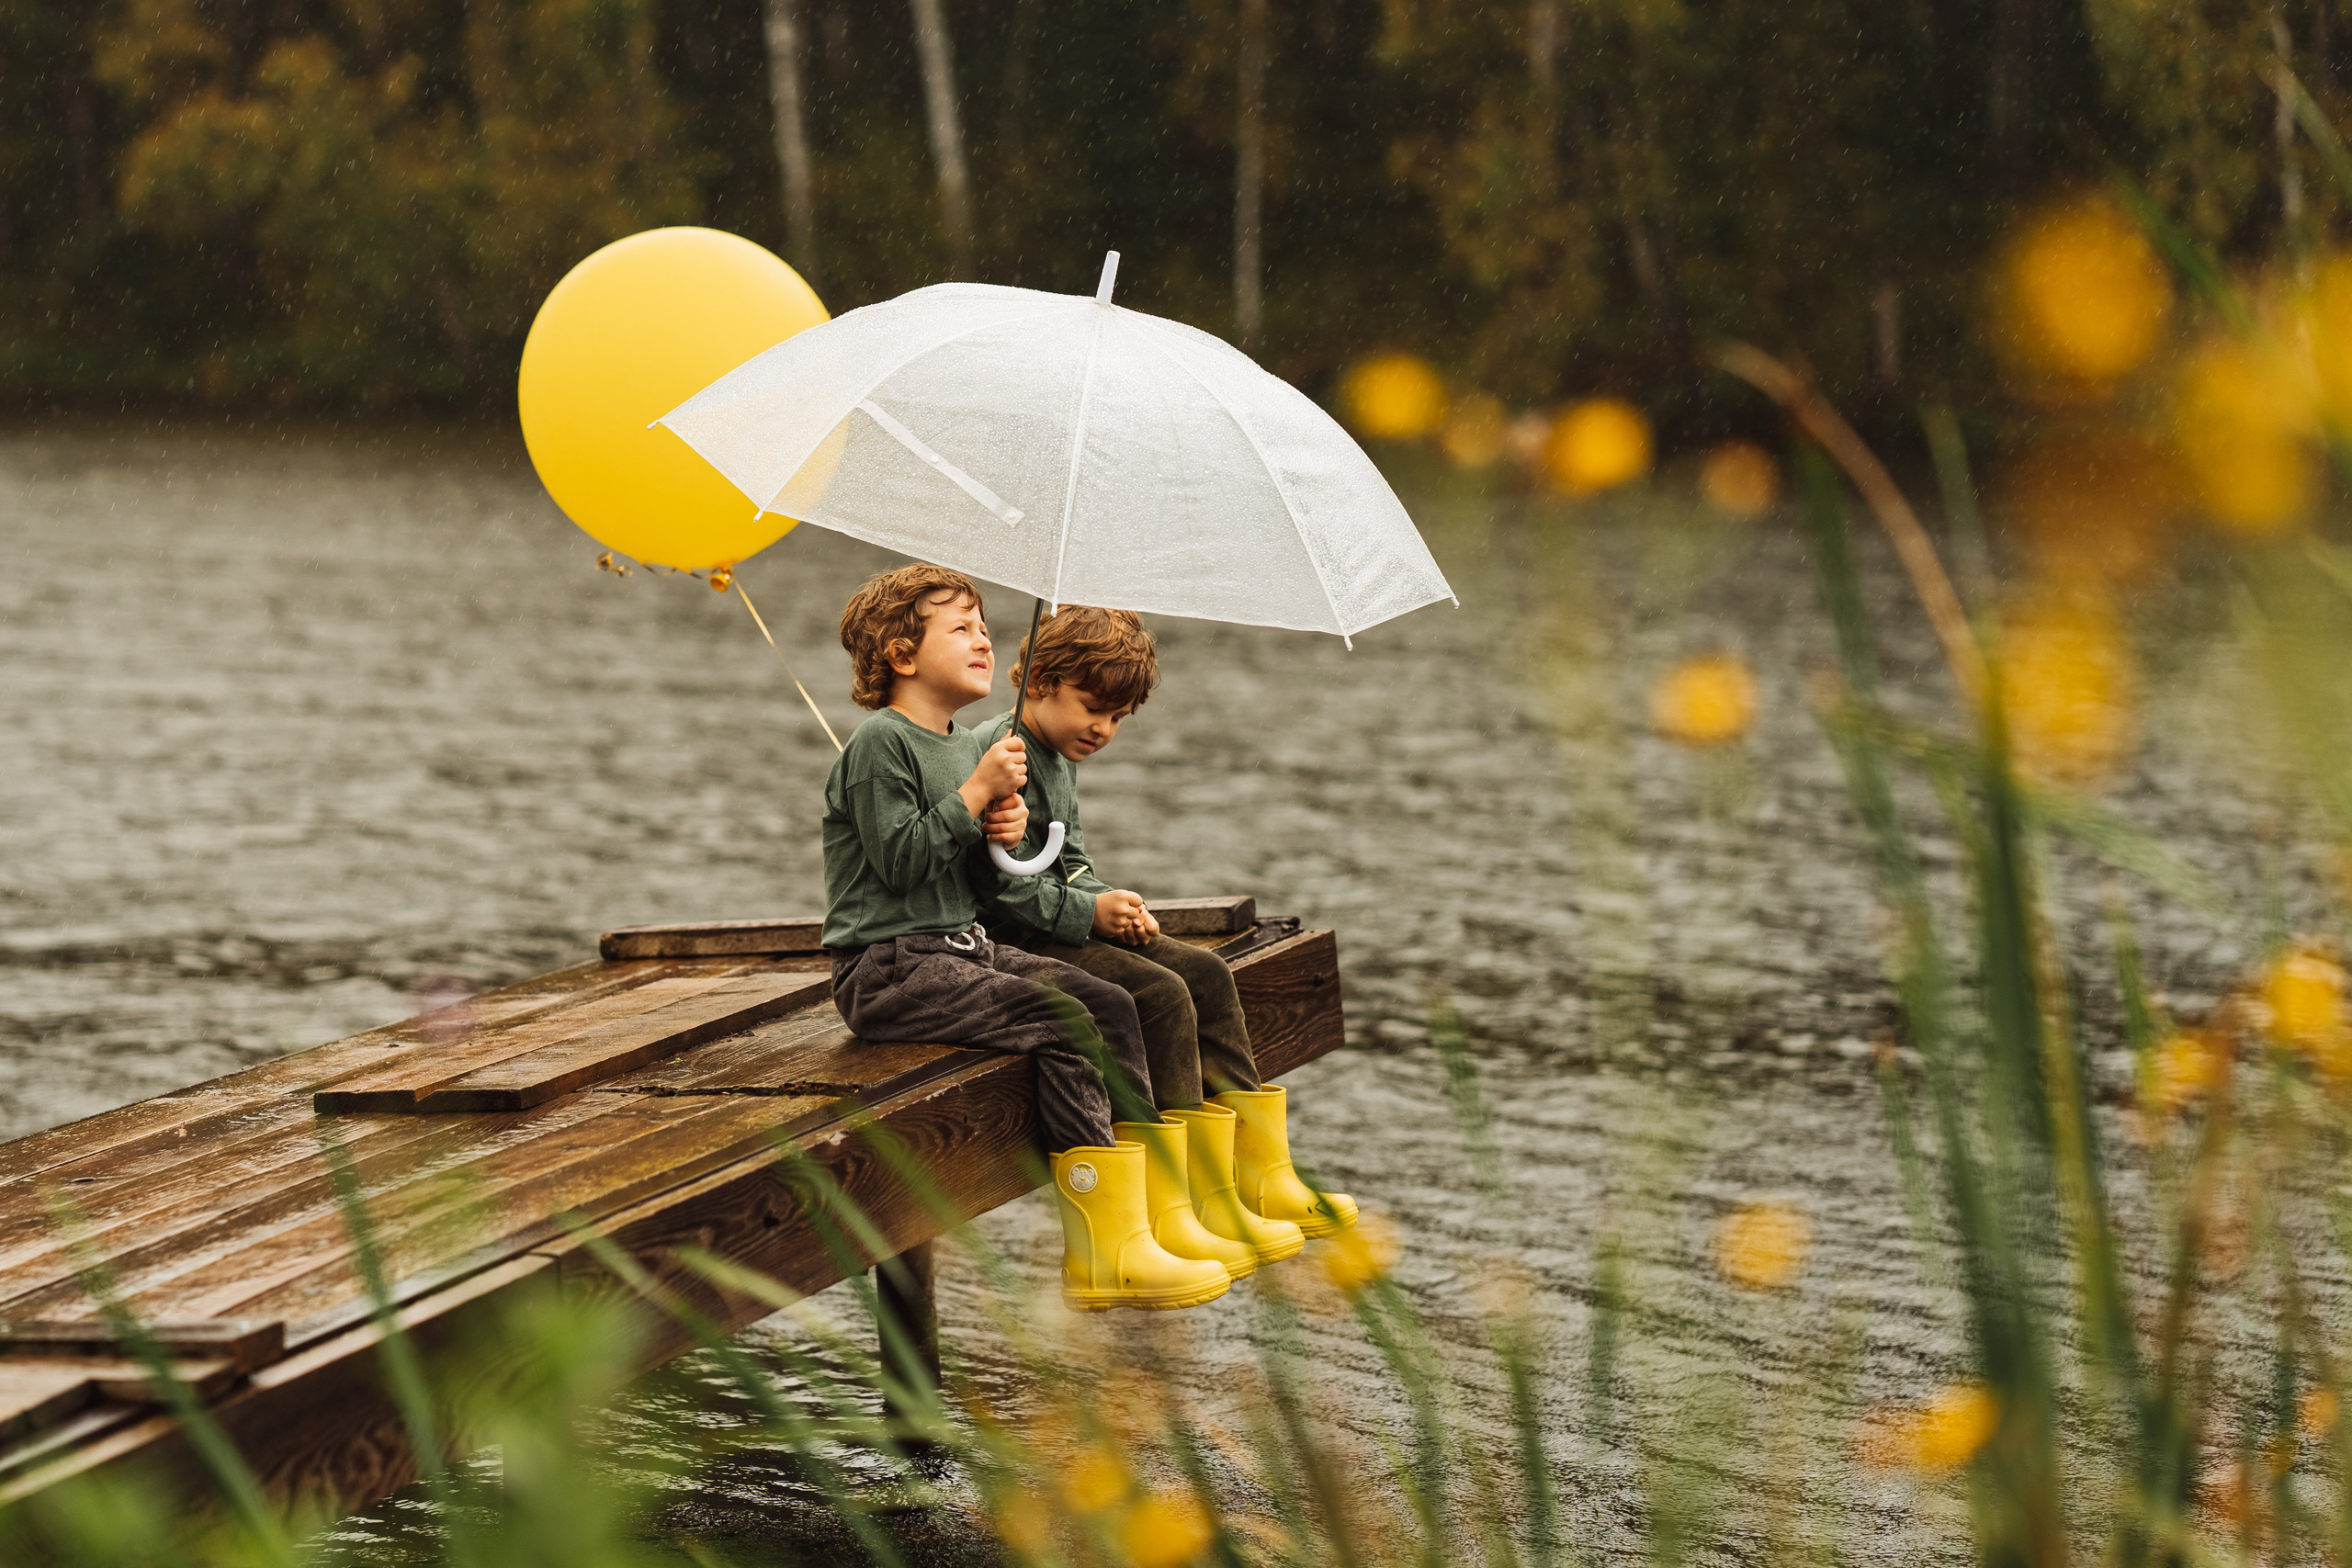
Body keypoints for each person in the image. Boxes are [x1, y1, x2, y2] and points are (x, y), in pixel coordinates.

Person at [820, 565, 1230, 1313]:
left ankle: (1141, 1220)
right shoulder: (882, 744)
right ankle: (1104, 1247)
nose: (984, 638)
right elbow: (902, 863)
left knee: (1106, 1001)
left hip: (957, 947)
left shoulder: (951, 742)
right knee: (1072, 1020)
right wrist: (975, 796)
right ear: (903, 655)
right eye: (962, 628)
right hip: (887, 969)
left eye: (983, 625)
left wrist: (997, 825)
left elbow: (973, 864)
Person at [975, 606, 1356, 1281]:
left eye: (1119, 719)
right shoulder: (1001, 754)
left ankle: (1254, 1177)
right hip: (1015, 937)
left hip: (1059, 917)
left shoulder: (1057, 759)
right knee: (1155, 991)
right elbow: (1005, 891)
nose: (1104, 729)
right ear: (1041, 680)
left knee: (1205, 972)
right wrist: (1088, 913)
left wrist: (1114, 902)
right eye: (1094, 708)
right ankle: (1173, 1202)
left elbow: (1074, 862)